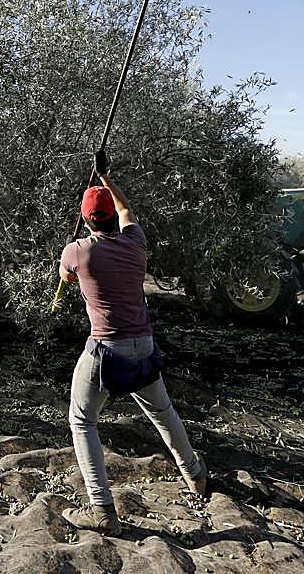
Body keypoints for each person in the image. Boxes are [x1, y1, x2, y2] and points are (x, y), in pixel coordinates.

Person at [57, 150, 208, 536]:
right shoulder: (135, 241)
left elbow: (66, 276)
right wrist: (106, 178)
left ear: (88, 219)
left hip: (106, 353)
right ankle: (195, 475)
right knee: (164, 413)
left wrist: (72, 252)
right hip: (144, 347)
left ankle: (103, 510)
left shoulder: (78, 251)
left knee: (81, 421)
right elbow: (126, 210)